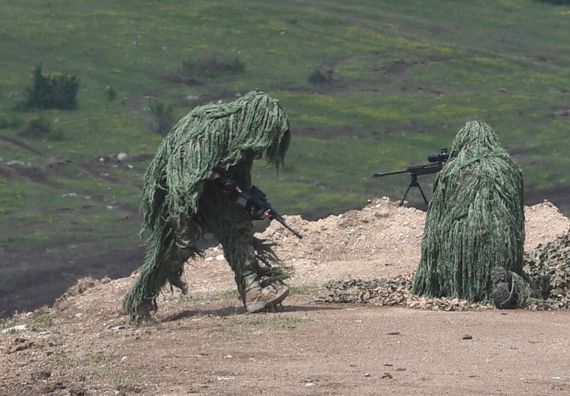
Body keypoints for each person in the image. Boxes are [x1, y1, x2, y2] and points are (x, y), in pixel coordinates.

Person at [123, 91, 292, 322]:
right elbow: (183, 172)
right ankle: (140, 302)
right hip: (182, 190)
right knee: (178, 248)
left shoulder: (241, 145)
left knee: (238, 230)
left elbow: (239, 183)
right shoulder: (207, 126)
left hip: (214, 189)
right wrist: (185, 213)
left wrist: (253, 205)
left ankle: (254, 293)